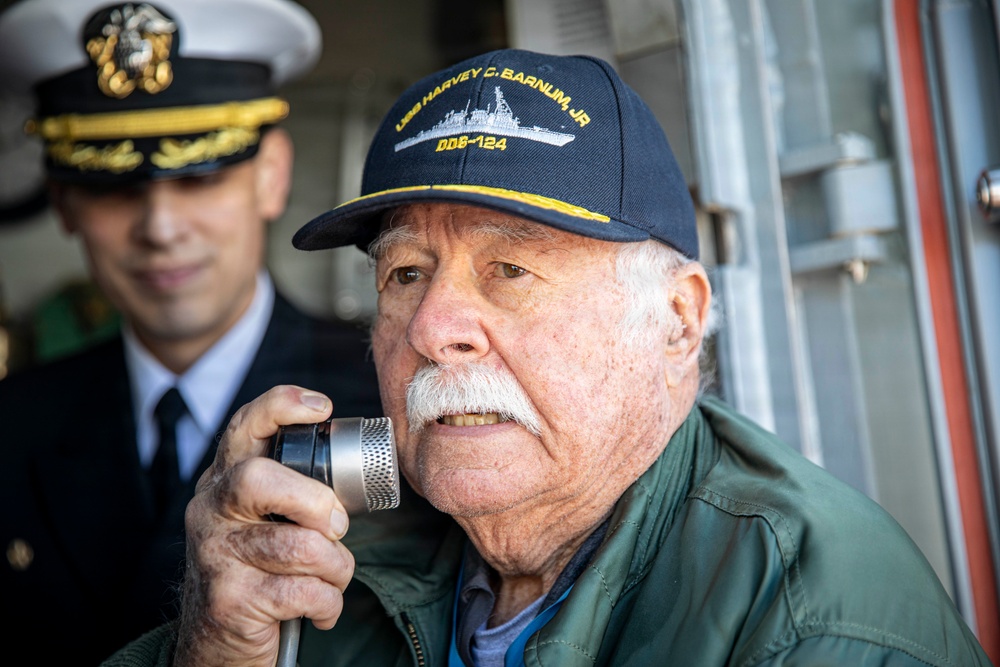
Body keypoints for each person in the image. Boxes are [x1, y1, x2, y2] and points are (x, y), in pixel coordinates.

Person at [107, 48, 991, 666]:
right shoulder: (331, 542)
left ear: (678, 321)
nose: (432, 325)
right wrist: (216, 652)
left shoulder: (811, 623)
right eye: (406, 272)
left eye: (512, 269)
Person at [0, 1, 382, 664]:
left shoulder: (385, 404)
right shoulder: (11, 423)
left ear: (272, 175)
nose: (161, 228)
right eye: (113, 184)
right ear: (64, 202)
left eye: (200, 175)